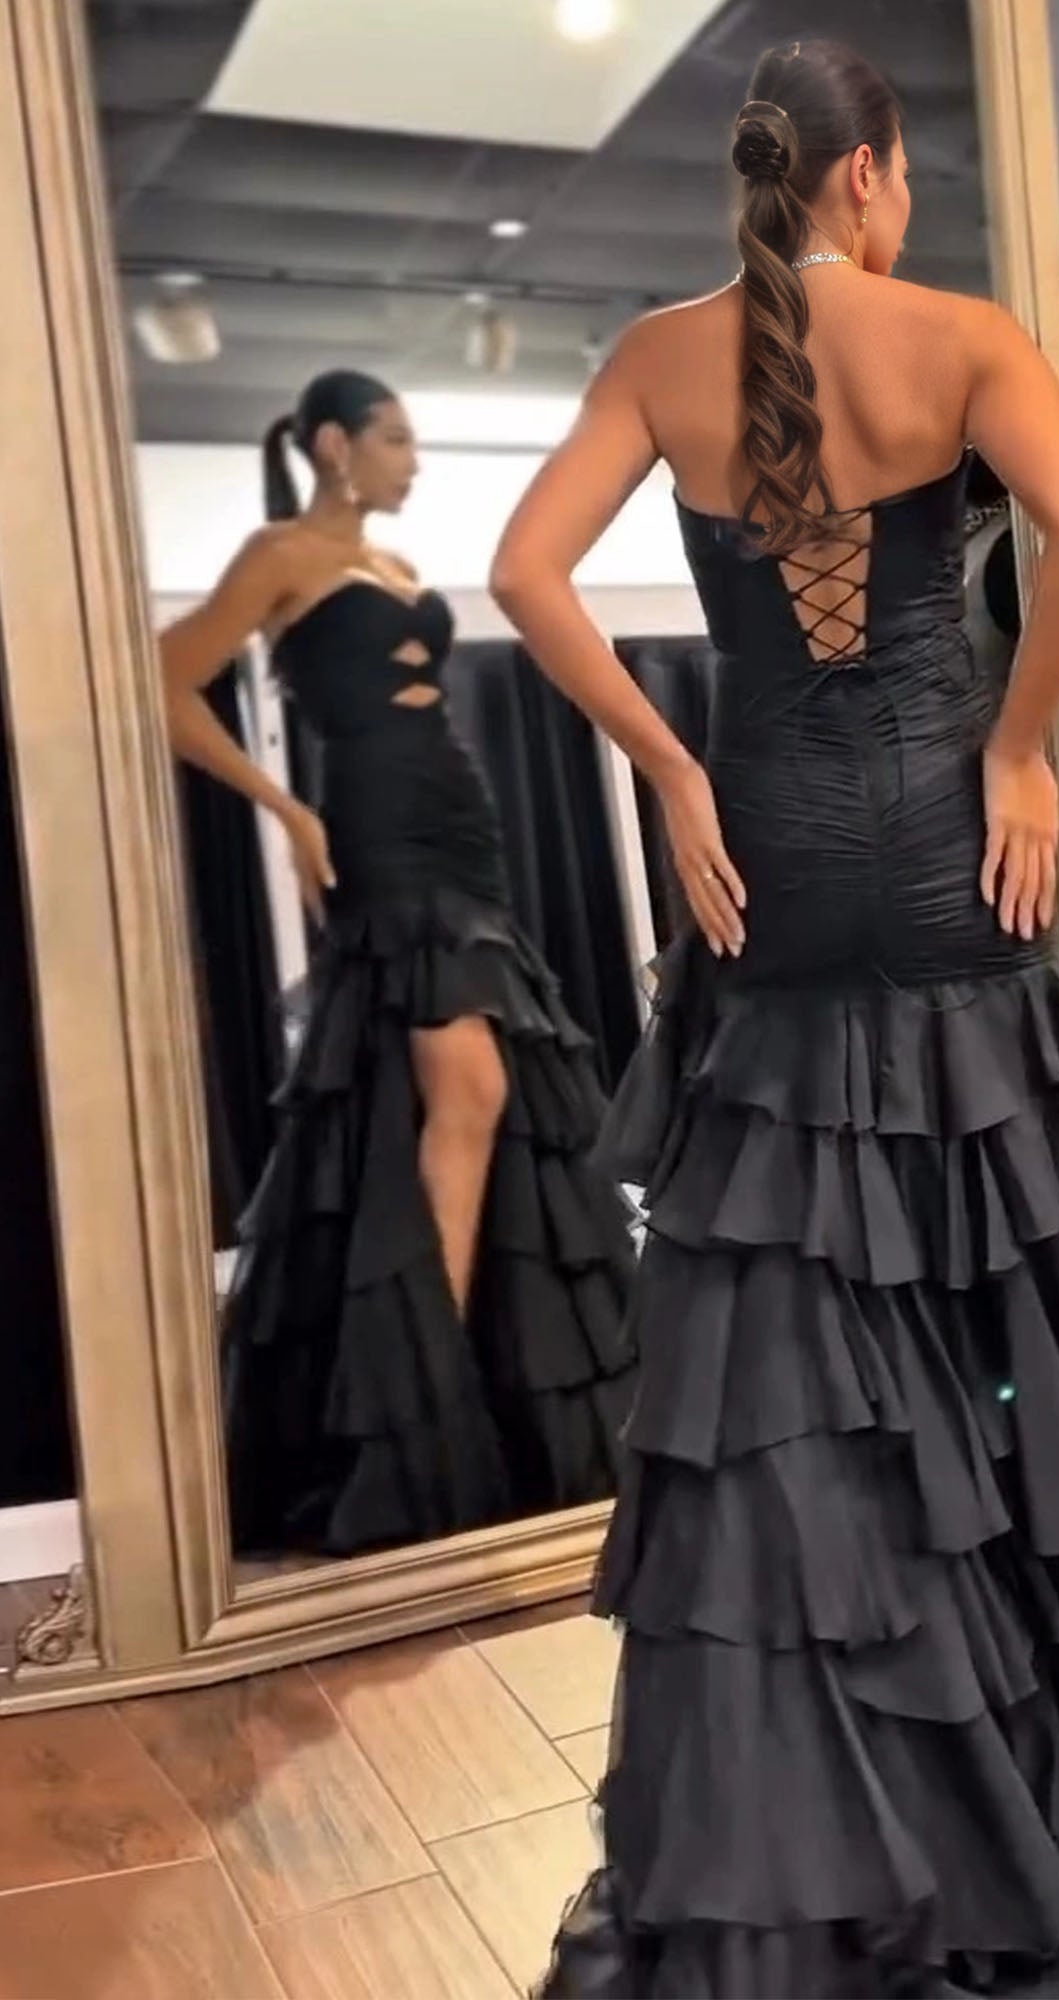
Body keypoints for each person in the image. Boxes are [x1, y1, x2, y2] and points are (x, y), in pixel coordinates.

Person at [494, 45, 1059, 1999]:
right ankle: (1038, 1756)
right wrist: (1019, 749)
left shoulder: (659, 354)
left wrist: (666, 764)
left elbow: (521, 573)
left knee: (795, 1306)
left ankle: (834, 1781)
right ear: (871, 175)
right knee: (1001, 1295)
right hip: (937, 840)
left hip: (770, 857)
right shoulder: (963, 335)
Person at [159, 370, 637, 1557]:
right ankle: (427, 1394)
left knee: (465, 1098)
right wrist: (283, 806)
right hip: (372, 824)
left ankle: (461, 1375)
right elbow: (162, 677)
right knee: (469, 1086)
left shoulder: (395, 564)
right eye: (398, 439)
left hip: (458, 823)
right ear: (334, 444)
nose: (414, 461)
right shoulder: (279, 553)